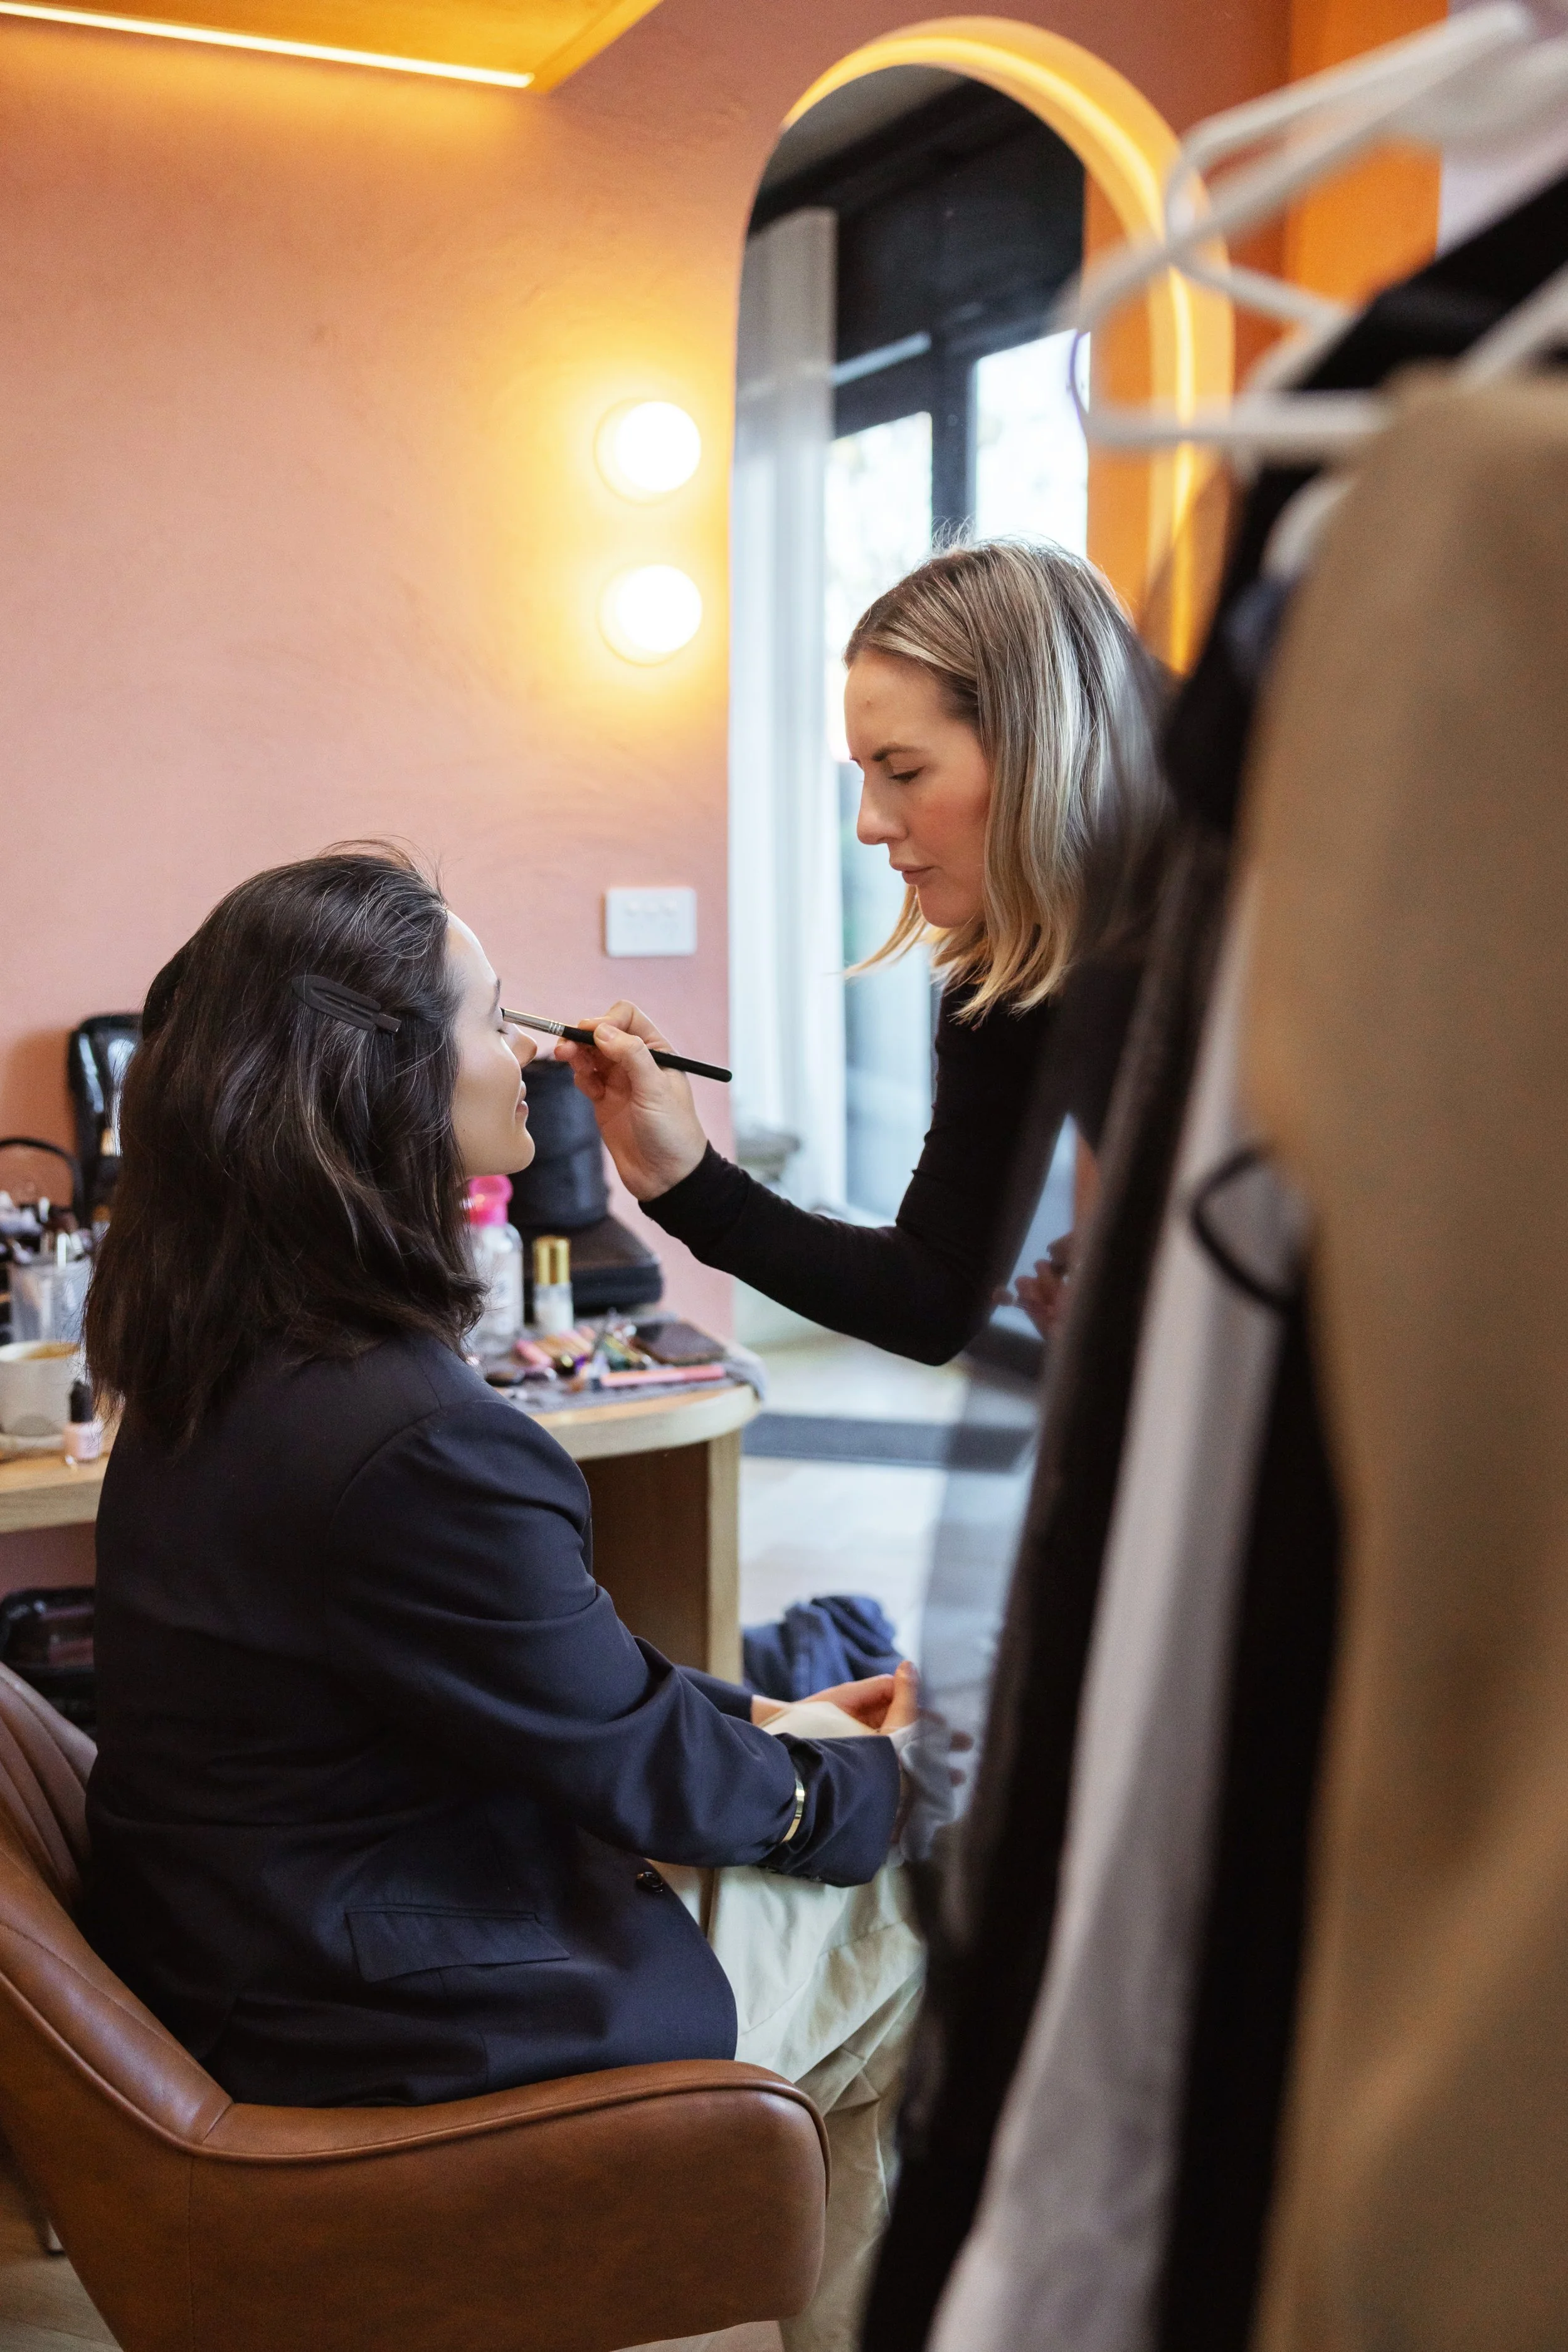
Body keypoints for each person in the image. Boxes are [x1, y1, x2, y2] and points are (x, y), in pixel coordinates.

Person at [82, 847, 923, 2352]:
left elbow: (551, 1687)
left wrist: (778, 1717)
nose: (527, 1056)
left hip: (255, 1931)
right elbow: (633, 1765)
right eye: (489, 1020)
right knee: (932, 1897)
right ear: (385, 1085)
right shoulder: (413, 1441)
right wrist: (861, 1791)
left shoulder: (213, 1354)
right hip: (373, 2004)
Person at [560, 539, 1171, 1360]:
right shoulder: (1004, 972)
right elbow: (932, 1296)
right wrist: (689, 1180)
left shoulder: (1242, 924)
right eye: (863, 775)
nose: (869, 824)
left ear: (1039, 745)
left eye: (905, 771)